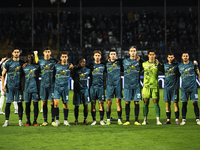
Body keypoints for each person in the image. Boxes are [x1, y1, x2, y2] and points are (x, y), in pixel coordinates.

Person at [34, 47, 59, 126]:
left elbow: (61, 64)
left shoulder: (54, 61)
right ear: (43, 53)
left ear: (50, 53)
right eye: (46, 52)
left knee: (52, 102)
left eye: (48, 51)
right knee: (44, 102)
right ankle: (45, 120)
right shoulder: (40, 61)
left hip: (52, 86)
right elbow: (34, 66)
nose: (47, 53)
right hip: (43, 85)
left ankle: (52, 120)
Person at [2, 48, 24, 127]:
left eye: (18, 52)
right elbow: (3, 74)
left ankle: (20, 121)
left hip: (19, 87)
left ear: (19, 53)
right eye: (15, 52)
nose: (16, 53)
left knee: (19, 104)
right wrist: (3, 85)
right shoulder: (8, 63)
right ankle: (6, 121)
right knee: (8, 104)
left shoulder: (22, 63)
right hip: (9, 87)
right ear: (12, 53)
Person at [123, 46, 143, 125]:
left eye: (134, 51)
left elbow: (146, 63)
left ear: (136, 52)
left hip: (136, 85)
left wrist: (140, 59)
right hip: (127, 85)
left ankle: (136, 120)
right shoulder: (124, 61)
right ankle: (127, 120)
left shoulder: (139, 61)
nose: (133, 52)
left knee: (136, 102)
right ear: (129, 52)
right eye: (131, 51)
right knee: (127, 102)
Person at [178, 52, 200, 125]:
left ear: (188, 57)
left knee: (195, 103)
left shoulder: (193, 64)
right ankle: (183, 120)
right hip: (184, 88)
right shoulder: (179, 66)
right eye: (184, 56)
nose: (185, 57)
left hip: (193, 87)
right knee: (184, 104)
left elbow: (198, 73)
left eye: (186, 56)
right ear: (182, 57)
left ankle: (197, 119)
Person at [141, 49, 163, 125]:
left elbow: (163, 70)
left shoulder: (157, 64)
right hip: (146, 87)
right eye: (150, 54)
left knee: (156, 103)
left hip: (154, 86)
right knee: (145, 103)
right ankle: (145, 119)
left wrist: (159, 64)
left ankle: (158, 120)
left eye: (153, 54)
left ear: (155, 55)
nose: (152, 56)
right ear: (148, 55)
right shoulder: (144, 64)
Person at [53, 52, 74, 127]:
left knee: (66, 105)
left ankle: (65, 120)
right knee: (56, 104)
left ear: (67, 58)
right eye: (63, 57)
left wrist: (73, 65)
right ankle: (57, 120)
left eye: (65, 57)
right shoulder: (56, 66)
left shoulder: (70, 66)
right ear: (61, 58)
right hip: (57, 88)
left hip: (65, 88)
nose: (64, 58)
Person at [88, 50, 106, 125]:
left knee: (101, 103)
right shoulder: (90, 66)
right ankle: (94, 120)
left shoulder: (103, 66)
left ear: (100, 56)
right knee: (93, 104)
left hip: (100, 87)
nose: (97, 57)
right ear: (93, 56)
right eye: (96, 55)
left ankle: (101, 120)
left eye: (98, 55)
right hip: (92, 87)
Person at [105, 50, 123, 125]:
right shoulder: (106, 64)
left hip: (117, 84)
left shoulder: (119, 63)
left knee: (118, 102)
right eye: (111, 54)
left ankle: (119, 119)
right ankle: (108, 119)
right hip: (109, 85)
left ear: (116, 55)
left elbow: (123, 60)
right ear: (109, 55)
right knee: (109, 103)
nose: (113, 55)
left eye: (114, 54)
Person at [163, 53, 180, 125]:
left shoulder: (177, 65)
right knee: (167, 104)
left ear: (174, 57)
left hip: (175, 88)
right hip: (167, 88)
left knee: (175, 103)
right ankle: (168, 120)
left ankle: (177, 120)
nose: (170, 58)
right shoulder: (164, 66)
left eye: (172, 57)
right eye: (169, 57)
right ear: (167, 58)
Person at [23, 54, 40, 126]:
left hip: (35, 89)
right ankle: (28, 121)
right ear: (27, 58)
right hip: (26, 89)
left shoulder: (37, 67)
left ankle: (35, 121)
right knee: (27, 105)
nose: (30, 58)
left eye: (31, 57)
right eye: (29, 57)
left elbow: (40, 64)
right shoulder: (24, 67)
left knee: (35, 105)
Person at [72, 58, 90, 125]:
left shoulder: (88, 70)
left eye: (84, 62)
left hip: (85, 90)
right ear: (79, 63)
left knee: (86, 105)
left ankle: (85, 119)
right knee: (77, 106)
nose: (83, 63)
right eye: (81, 62)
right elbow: (72, 75)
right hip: (77, 91)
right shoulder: (75, 70)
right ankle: (76, 120)